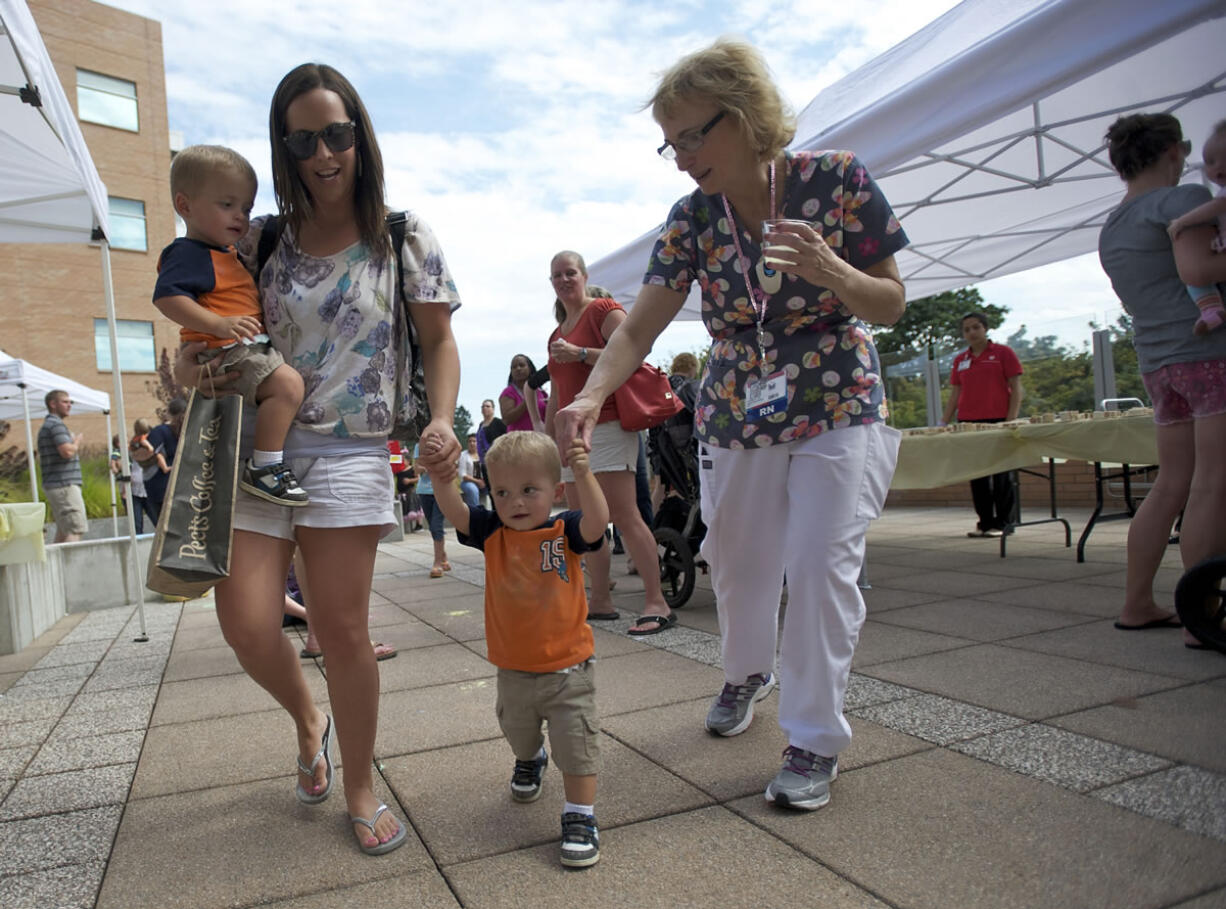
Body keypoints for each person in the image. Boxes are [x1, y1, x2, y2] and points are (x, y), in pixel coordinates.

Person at [555, 39, 906, 809]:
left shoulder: (836, 181)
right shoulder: (691, 219)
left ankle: (813, 736)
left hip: (838, 394)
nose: (680, 156)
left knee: (821, 562)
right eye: (669, 141)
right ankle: (747, 667)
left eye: (692, 134)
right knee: (742, 562)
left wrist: (835, 273)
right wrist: (588, 397)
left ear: (745, 116)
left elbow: (890, 300)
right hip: (740, 402)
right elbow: (638, 327)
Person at [175, 62, 461, 855]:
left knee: (343, 631)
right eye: (304, 139)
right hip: (258, 442)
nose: (324, 152)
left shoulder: (404, 235)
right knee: (245, 622)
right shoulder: (259, 237)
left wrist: (442, 418)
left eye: (337, 133)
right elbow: (208, 321)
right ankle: (309, 718)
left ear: (359, 136)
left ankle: (362, 784)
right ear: (286, 149)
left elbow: (438, 339)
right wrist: (188, 362)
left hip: (350, 451)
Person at [428, 430, 608, 868]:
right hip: (513, 669)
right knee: (518, 732)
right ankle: (531, 759)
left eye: (530, 490)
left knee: (577, 744)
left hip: (569, 670)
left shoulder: (565, 530)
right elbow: (456, 511)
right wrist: (441, 477)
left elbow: (599, 523)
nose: (516, 503)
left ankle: (580, 816)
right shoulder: (493, 532)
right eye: (504, 492)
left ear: (556, 491)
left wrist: (584, 471)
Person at [1098, 112, 1226, 647]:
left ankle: (1138, 603)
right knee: (1213, 483)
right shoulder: (1181, 200)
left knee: (1171, 483)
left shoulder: (1112, 226)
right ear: (1172, 151)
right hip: (1209, 355)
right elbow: (1199, 270)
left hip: (1157, 365)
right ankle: (1205, 616)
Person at [154, 145, 308, 506]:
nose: (240, 216)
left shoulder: (226, 252)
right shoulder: (189, 252)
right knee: (286, 385)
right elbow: (167, 298)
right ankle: (266, 467)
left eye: (246, 208)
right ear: (185, 205)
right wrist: (218, 324)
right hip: (225, 350)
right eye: (227, 205)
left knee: (284, 385)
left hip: (236, 348)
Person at [546, 251, 673, 633]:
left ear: (584, 275)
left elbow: (632, 352)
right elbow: (556, 390)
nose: (565, 280)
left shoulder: (601, 309)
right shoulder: (556, 333)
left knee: (624, 513)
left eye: (571, 272)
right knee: (585, 522)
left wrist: (581, 353)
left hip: (609, 421)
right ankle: (599, 599)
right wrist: (550, 440)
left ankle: (657, 601)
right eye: (557, 275)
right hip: (571, 432)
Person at [939, 312, 1024, 537]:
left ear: (985, 328)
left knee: (1001, 473)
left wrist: (1010, 419)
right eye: (966, 330)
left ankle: (1005, 523)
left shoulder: (1003, 353)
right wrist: (943, 422)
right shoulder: (960, 360)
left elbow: (1016, 387)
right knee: (977, 475)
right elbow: (955, 393)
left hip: (998, 421)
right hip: (968, 423)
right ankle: (985, 523)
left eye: (976, 327)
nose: (971, 333)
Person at [1167, 120, 1226, 335]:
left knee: (1192, 276)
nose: (1217, 168)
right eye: (1210, 161)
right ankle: (1212, 310)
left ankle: (1210, 308)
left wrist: (1182, 222)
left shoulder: (1213, 197)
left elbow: (1215, 207)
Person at [37, 390, 87, 543]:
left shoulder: (49, 425)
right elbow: (67, 451)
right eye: (65, 402)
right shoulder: (55, 425)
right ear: (53, 404)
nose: (69, 405)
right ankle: (70, 566)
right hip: (64, 485)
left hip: (56, 484)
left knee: (64, 529)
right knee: (75, 527)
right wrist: (76, 441)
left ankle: (55, 567)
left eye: (70, 402)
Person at [143, 398, 186, 525]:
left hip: (161, 486)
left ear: (168, 412)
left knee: (164, 529)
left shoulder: (160, 431)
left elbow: (147, 454)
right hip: (185, 485)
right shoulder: (190, 431)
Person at [414, 441, 453, 578]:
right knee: (433, 527)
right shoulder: (419, 446)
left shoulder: (444, 444)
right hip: (424, 491)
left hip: (441, 490)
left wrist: (430, 464)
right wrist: (426, 466)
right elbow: (416, 469)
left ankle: (437, 563)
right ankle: (443, 555)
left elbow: (449, 465)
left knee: (436, 526)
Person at [500, 355, 548, 432]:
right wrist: (528, 401)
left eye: (522, 365)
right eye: (514, 367)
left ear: (530, 368)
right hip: (518, 440)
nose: (518, 369)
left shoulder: (541, 392)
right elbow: (507, 420)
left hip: (540, 438)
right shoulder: (508, 392)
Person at [458, 434, 483, 508]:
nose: (472, 443)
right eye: (470, 441)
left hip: (482, 481)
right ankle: (476, 512)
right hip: (468, 482)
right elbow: (463, 475)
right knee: (473, 489)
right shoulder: (463, 455)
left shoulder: (482, 454)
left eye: (474, 441)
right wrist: (478, 481)